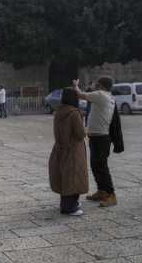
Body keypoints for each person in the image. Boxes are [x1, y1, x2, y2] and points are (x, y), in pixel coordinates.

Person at [73, 77, 117, 207]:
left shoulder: (100, 95)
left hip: (100, 138)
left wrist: (75, 85)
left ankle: (111, 195)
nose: (94, 85)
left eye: (97, 84)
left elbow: (80, 94)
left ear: (101, 85)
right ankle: (102, 191)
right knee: (96, 166)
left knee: (101, 167)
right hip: (99, 137)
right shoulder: (108, 96)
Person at [49, 88, 88, 216]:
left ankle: (67, 203)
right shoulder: (74, 113)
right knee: (73, 176)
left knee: (64, 176)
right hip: (73, 149)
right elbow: (80, 134)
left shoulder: (58, 112)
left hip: (60, 148)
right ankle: (69, 207)